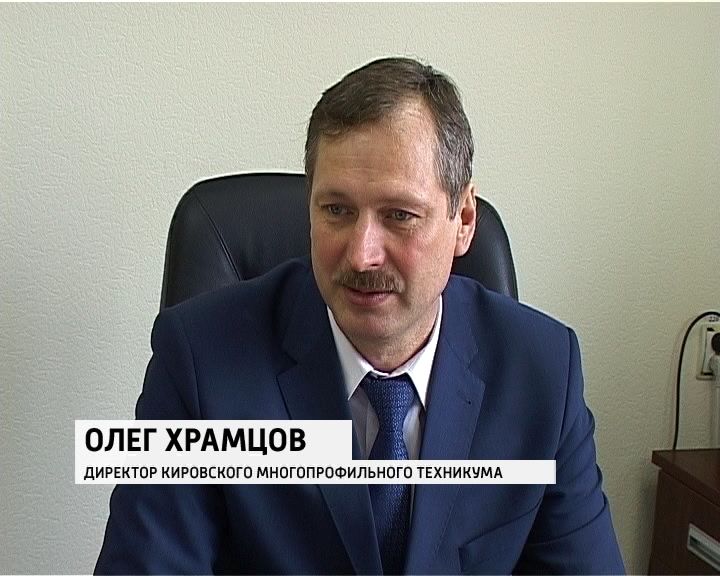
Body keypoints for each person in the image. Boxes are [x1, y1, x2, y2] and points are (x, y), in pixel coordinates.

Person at [95, 57, 625, 574]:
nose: (361, 254)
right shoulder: (199, 361)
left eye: (399, 215)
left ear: (463, 219)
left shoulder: (544, 372)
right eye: (337, 210)